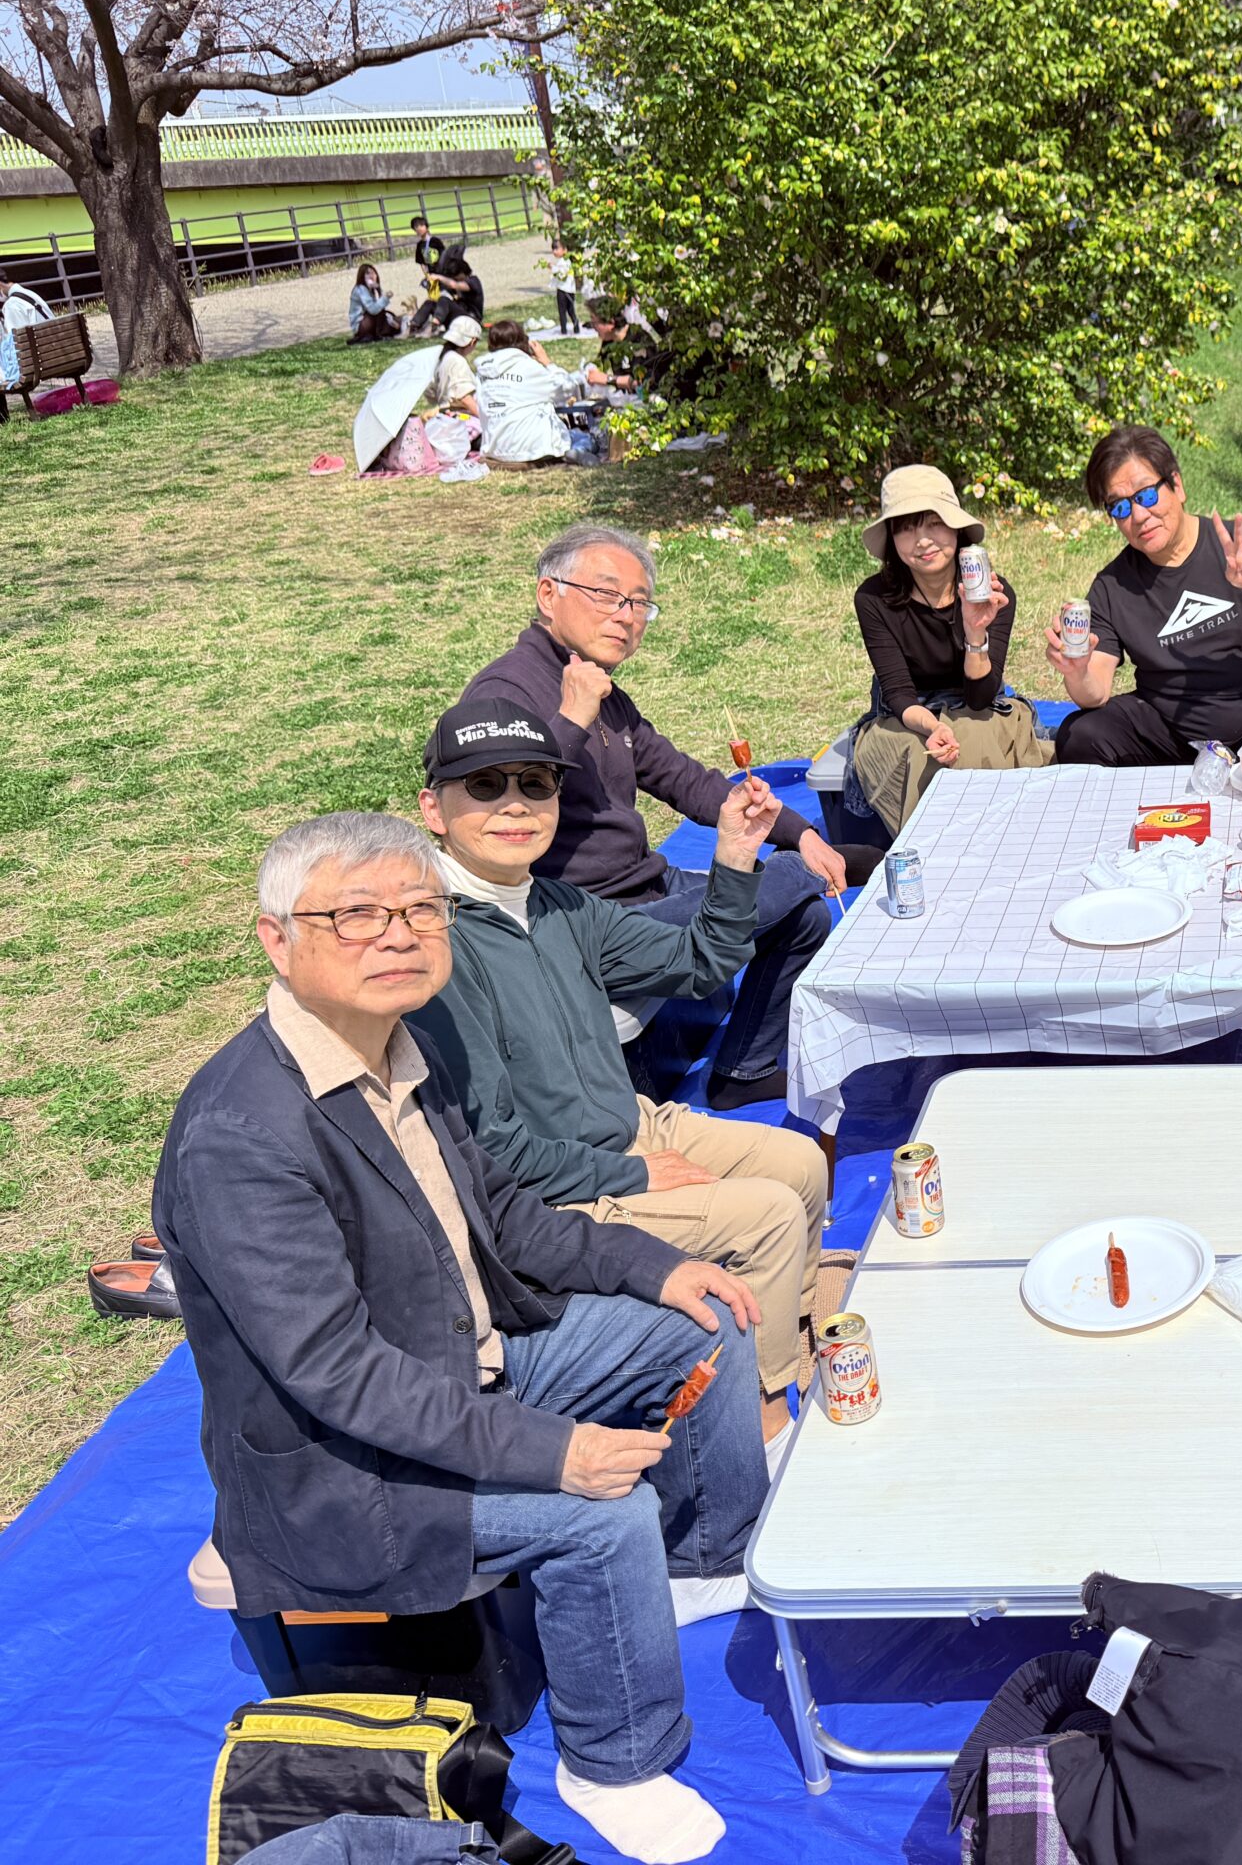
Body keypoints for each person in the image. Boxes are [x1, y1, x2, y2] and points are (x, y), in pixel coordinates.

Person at [154, 811, 764, 1865]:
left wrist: (652, 1265)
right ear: (276, 940)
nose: (399, 934)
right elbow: (341, 1377)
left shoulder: (405, 1045)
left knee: (698, 1324)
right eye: (356, 915)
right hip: (344, 1464)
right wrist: (554, 1450)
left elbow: (502, 1215)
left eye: (420, 908)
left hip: (466, 1358)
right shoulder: (241, 1137)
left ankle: (699, 1562)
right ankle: (614, 1760)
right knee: (601, 1511)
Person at [408, 699, 832, 1448]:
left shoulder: (557, 904)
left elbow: (697, 962)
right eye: (485, 785)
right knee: (766, 1214)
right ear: (433, 809)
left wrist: (735, 856)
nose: (515, 804)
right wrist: (631, 1174)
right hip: (559, 1190)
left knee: (800, 1162)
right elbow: (490, 1148)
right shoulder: (435, 942)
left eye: (536, 783)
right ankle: (765, 1423)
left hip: (630, 1124)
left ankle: (790, 1344)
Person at [464, 524, 851, 1111]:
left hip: (645, 886)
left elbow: (683, 779)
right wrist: (572, 717)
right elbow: (505, 813)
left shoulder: (603, 691)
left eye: (639, 603)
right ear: (548, 594)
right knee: (791, 880)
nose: (625, 616)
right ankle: (829, 868)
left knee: (802, 916)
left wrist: (800, 833)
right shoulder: (504, 695)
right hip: (582, 923)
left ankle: (743, 1070)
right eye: (607, 595)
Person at [1046, 423, 1242, 765]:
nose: (1139, 516)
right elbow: (1096, 691)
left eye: (1146, 495)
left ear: (1177, 485)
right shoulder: (1112, 586)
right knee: (1080, 734)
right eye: (1119, 507)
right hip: (1170, 735)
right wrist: (1077, 671)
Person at [847, 464, 1051, 830]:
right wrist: (932, 727)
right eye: (906, 528)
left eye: (934, 523)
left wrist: (975, 633)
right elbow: (898, 692)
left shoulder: (993, 593)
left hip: (977, 707)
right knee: (921, 753)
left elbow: (981, 697)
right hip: (907, 714)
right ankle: (930, 851)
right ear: (892, 539)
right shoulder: (873, 598)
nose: (923, 540)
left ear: (956, 528)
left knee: (976, 738)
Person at [473, 319, 596, 468]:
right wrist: (547, 362)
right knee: (582, 437)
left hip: (494, 449)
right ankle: (579, 451)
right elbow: (567, 388)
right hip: (531, 449)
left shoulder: (481, 372)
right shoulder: (528, 366)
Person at [586, 298, 669, 395]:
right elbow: (599, 364)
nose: (593, 327)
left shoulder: (637, 341)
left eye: (595, 323)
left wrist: (609, 380)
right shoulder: (609, 341)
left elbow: (644, 382)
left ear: (611, 323)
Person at [423, 314, 482, 424]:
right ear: (472, 341)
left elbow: (430, 392)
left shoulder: (441, 357)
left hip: (443, 414)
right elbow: (464, 398)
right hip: (459, 417)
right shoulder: (457, 361)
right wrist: (484, 419)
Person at [346, 263, 398, 343]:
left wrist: (379, 290)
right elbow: (373, 309)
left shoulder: (370, 290)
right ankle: (378, 335)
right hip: (360, 324)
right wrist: (385, 297)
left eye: (373, 273)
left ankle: (378, 334)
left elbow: (380, 306)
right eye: (367, 273)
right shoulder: (360, 289)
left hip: (368, 320)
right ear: (362, 276)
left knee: (389, 315)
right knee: (379, 311)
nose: (371, 276)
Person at [549, 236, 584, 334]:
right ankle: (563, 330)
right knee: (562, 311)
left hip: (566, 290)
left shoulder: (565, 261)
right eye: (553, 249)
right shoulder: (561, 261)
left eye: (557, 249)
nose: (554, 251)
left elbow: (562, 275)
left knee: (570, 310)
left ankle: (575, 327)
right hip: (561, 289)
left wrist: (552, 268)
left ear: (564, 250)